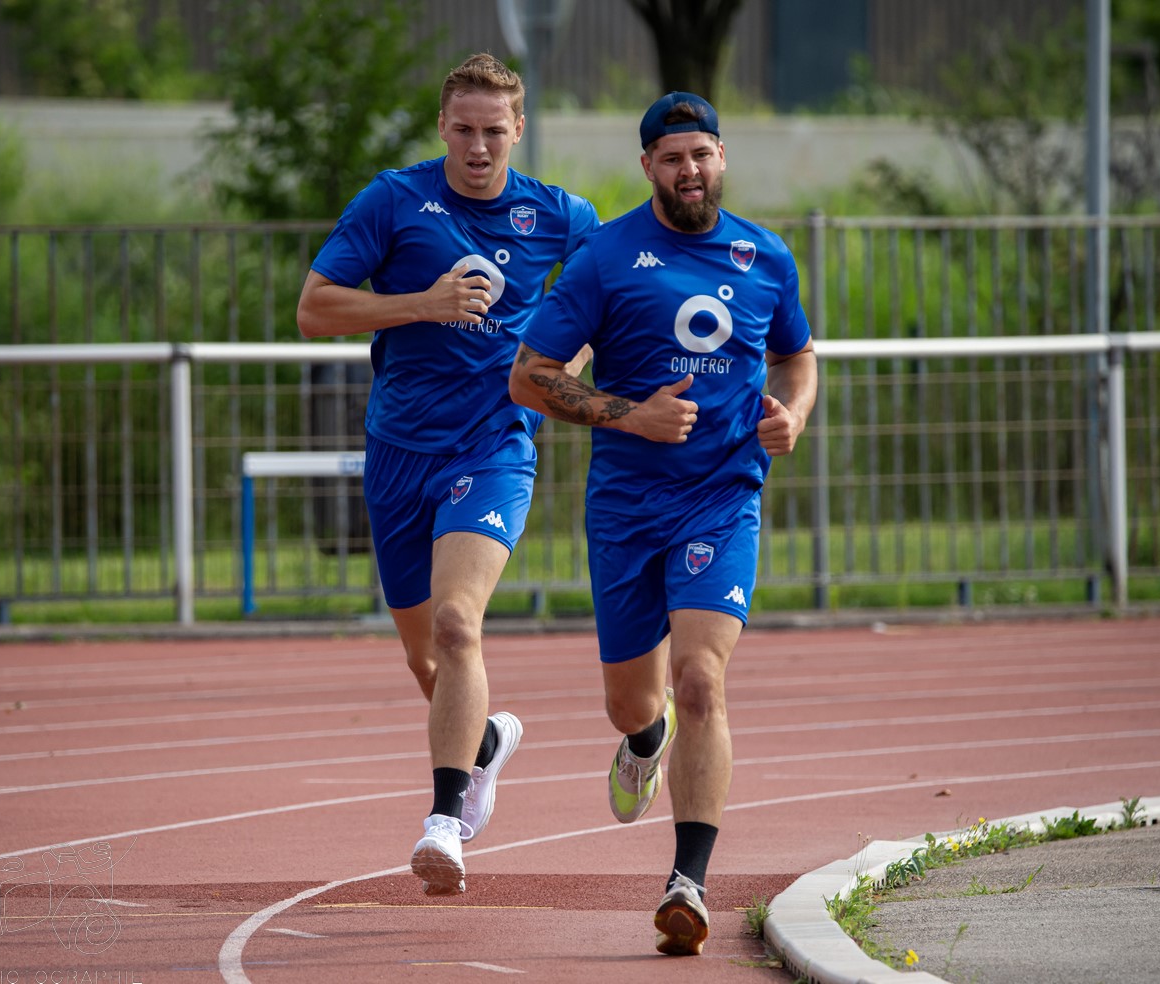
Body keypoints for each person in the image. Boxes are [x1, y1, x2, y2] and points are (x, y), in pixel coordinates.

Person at [508, 91, 817, 956]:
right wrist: (628, 415)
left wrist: (793, 412)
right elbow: (529, 377)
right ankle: (645, 742)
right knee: (634, 702)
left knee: (701, 680)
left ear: (723, 158)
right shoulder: (607, 257)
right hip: (626, 507)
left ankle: (688, 882)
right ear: (647, 166)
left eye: (704, 154)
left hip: (722, 496)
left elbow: (799, 353)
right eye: (673, 157)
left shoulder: (767, 256)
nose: (691, 171)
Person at [296, 53, 599, 896]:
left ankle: (443, 822)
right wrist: (421, 304)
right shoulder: (394, 201)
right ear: (443, 127)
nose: (477, 147)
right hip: (397, 455)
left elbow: (609, 306)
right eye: (463, 130)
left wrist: (560, 370)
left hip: (493, 448)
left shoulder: (561, 215)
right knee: (429, 659)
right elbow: (314, 308)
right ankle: (487, 744)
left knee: (461, 626)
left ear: (519, 131)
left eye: (493, 132)